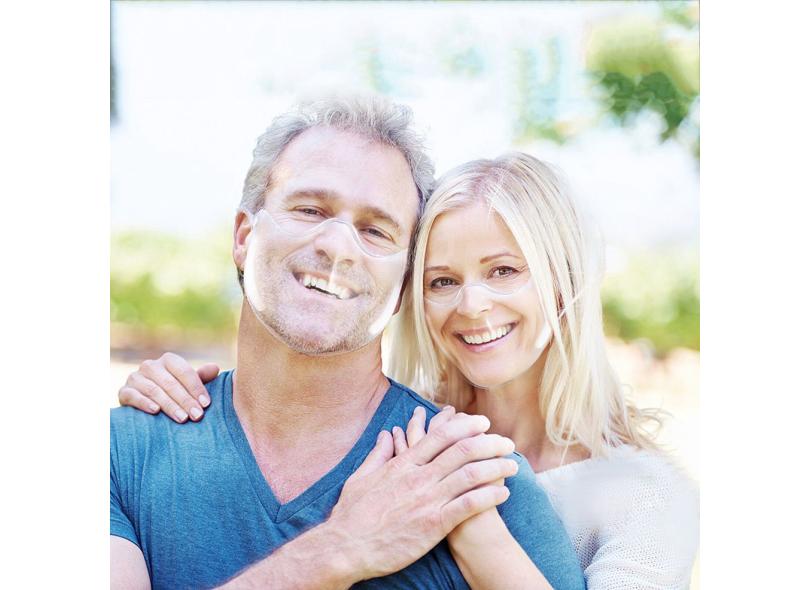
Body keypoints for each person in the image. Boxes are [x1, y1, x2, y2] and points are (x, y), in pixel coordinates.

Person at [122, 151, 699, 588]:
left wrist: (468, 522)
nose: (472, 305)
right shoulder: (397, 439)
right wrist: (195, 396)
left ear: (564, 279)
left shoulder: (646, 494)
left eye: (503, 271)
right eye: (442, 281)